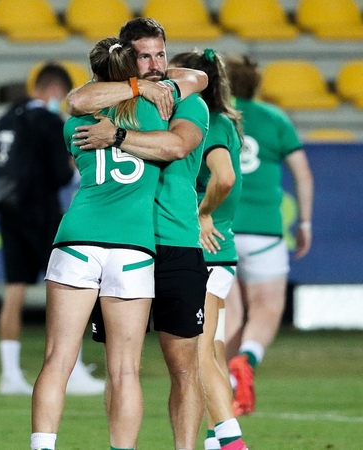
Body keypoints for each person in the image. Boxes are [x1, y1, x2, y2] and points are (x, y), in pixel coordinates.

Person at [68, 18, 211, 450]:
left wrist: (119, 136)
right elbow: (77, 99)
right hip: (122, 243)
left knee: (183, 366)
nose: (155, 65)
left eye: (161, 54)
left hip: (174, 244)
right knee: (120, 366)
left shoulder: (185, 99)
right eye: (144, 55)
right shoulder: (118, 98)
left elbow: (176, 146)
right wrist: (135, 90)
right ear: (126, 57)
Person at [30, 37, 173, 450]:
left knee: (57, 359)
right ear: (133, 71)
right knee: (125, 370)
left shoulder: (74, 124)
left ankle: (42, 446)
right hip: (133, 245)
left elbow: (78, 101)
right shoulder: (156, 112)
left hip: (78, 238)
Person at [0, 62, 101, 396]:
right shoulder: (49, 120)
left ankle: (10, 375)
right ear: (55, 91)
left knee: (14, 292)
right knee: (65, 291)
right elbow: (61, 176)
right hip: (42, 214)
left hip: (10, 213)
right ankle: (73, 370)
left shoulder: (10, 115)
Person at [223, 54, 314, 417]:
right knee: (268, 307)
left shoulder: (215, 116)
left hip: (222, 227)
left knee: (230, 315)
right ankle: (247, 360)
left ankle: (228, 387)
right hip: (265, 232)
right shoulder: (275, 118)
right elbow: (303, 174)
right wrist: (304, 223)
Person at [169, 49, 249, 450]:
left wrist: (202, 214)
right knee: (212, 349)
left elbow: (225, 177)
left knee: (196, 353)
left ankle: (233, 443)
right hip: (221, 251)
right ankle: (218, 440)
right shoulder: (224, 118)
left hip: (209, 249)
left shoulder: (209, 122)